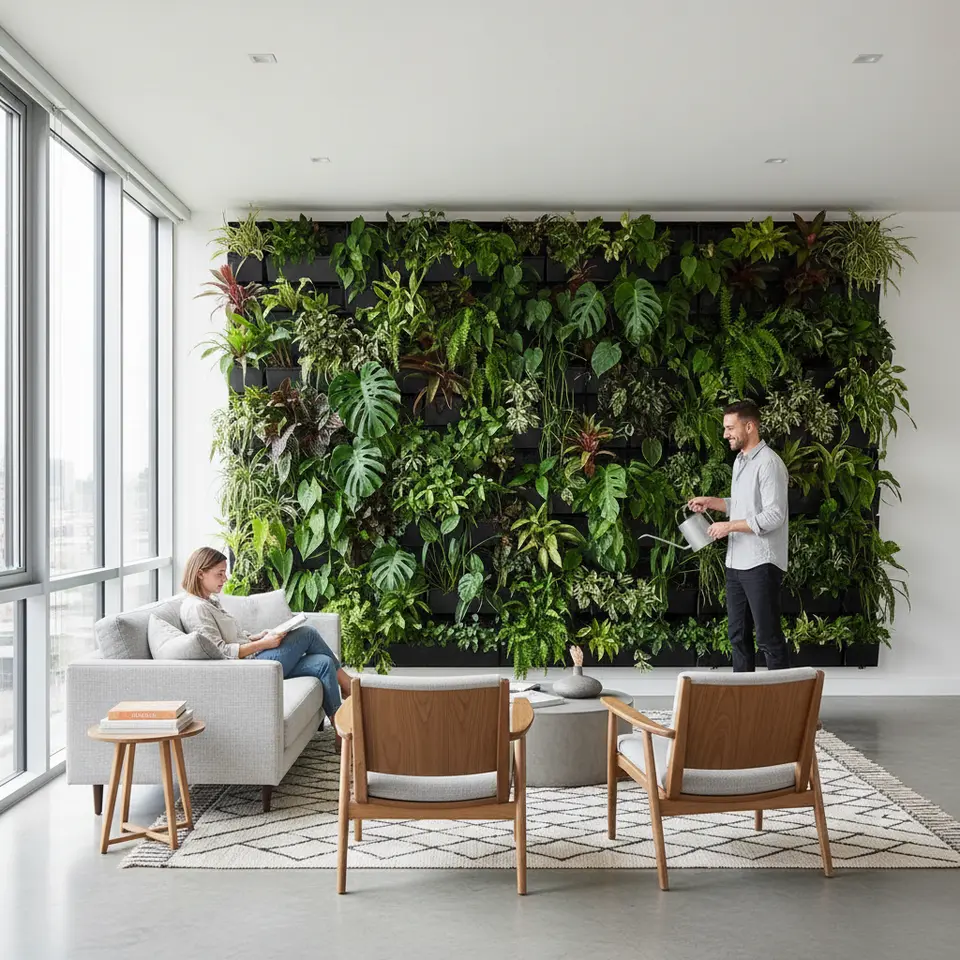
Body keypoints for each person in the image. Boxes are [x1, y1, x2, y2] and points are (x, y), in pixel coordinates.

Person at [179, 547, 350, 719]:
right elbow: (221, 652)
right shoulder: (196, 608)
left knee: (324, 663)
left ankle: (340, 730)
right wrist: (264, 644)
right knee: (308, 633)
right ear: (200, 574)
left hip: (253, 659)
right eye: (220, 574)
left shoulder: (209, 601)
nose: (225, 579)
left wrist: (257, 636)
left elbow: (231, 636)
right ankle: (350, 688)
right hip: (249, 669)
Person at [687, 400, 790, 672]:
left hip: (761, 564)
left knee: (768, 639)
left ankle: (783, 710)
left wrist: (728, 527)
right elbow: (744, 505)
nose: (725, 435)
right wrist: (714, 502)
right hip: (736, 564)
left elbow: (774, 516)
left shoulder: (769, 464)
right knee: (737, 638)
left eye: (730, 428)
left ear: (749, 425)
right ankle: (743, 707)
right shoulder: (741, 461)